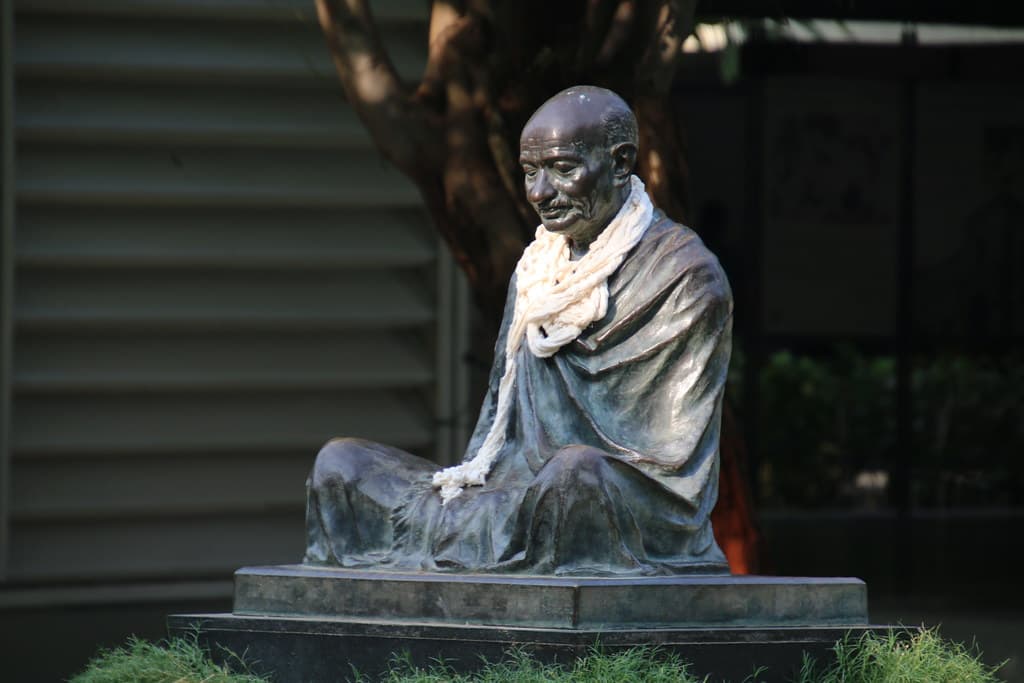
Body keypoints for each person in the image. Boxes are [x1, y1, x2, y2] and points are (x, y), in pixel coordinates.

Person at [304, 86, 732, 576]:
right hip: (512, 493)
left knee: (575, 477)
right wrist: (472, 499)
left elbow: (670, 462)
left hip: (612, 495)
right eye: (531, 173)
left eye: (562, 169)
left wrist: (552, 479)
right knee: (341, 467)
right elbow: (494, 432)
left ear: (619, 163)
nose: (539, 193)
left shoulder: (684, 274)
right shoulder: (537, 270)